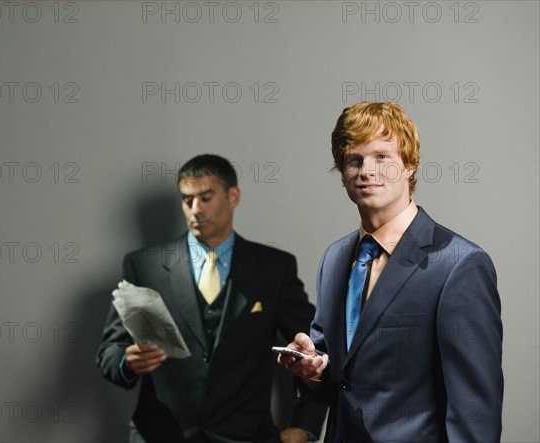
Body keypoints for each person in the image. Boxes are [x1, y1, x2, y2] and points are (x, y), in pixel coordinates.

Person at [279, 101, 503, 442]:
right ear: (342, 171)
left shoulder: (459, 264)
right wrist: (310, 368)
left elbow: (475, 410)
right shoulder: (335, 258)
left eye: (382, 156)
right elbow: (338, 376)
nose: (367, 170)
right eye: (354, 159)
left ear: (409, 165)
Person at [97, 154, 326, 443]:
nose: (195, 209)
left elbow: (315, 350)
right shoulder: (144, 266)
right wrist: (126, 362)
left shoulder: (273, 269)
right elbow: (109, 351)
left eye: (205, 197)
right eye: (187, 200)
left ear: (233, 196)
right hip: (161, 435)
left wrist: (305, 428)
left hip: (247, 437)